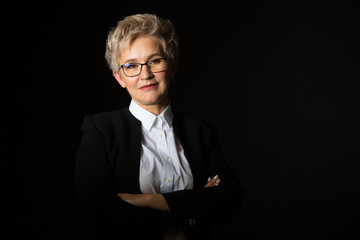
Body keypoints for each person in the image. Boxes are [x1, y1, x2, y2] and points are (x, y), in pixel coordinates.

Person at [75, 13, 243, 240]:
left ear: (172, 67)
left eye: (155, 61)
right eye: (131, 66)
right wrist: (192, 205)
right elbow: (96, 213)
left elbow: (229, 201)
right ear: (119, 78)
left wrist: (146, 200)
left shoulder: (200, 132)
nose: (145, 74)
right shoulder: (101, 131)